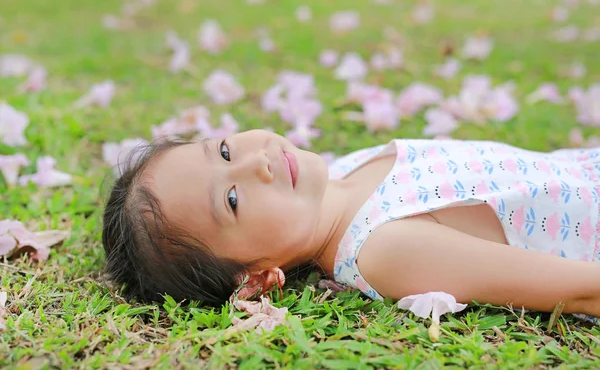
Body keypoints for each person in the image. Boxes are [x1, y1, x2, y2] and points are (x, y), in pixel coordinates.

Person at [101, 129, 600, 319]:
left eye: (225, 150)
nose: (257, 162)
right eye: (232, 199)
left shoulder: (341, 174)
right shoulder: (385, 248)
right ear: (255, 278)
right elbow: (582, 290)